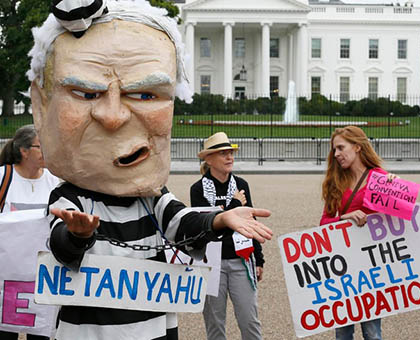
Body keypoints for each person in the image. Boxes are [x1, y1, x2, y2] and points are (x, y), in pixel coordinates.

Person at [26, 1, 273, 339]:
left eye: (144, 94)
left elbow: (182, 224)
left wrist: (219, 220)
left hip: (154, 330)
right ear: (41, 108)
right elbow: (60, 245)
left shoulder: (151, 199)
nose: (112, 117)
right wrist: (78, 235)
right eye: (86, 93)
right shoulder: (71, 198)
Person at [0, 124, 61, 340]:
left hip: (40, 274)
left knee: (41, 333)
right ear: (24, 151)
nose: (47, 152)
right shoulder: (2, 176)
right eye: (40, 147)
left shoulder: (52, 179)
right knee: (6, 333)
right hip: (7, 275)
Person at [320, 126, 398, 340]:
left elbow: (400, 221)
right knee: (342, 333)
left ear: (357, 147)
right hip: (344, 265)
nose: (336, 154)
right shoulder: (336, 182)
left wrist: (396, 190)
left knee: (372, 333)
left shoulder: (381, 178)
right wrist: (342, 219)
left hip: (372, 266)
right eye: (334, 150)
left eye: (340, 148)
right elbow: (323, 223)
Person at [190, 132, 264, 340]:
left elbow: (250, 221)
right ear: (209, 159)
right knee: (215, 325)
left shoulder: (241, 185)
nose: (229, 157)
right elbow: (208, 227)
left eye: (230, 153)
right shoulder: (197, 189)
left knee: (250, 321)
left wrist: (259, 259)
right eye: (223, 153)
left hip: (242, 260)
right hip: (212, 263)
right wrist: (233, 205)